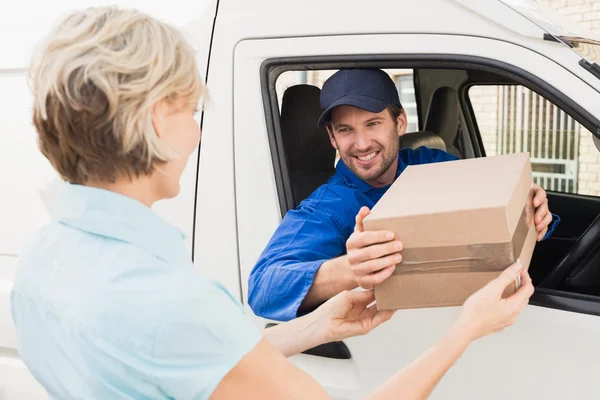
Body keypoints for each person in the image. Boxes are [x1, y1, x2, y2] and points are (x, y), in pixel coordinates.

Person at [11, 7, 534, 399]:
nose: (196, 134)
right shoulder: (170, 300)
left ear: (399, 122)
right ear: (154, 122)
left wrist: (315, 326)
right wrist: (467, 327)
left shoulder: (44, 257)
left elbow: (192, 361)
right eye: (191, 111)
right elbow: (203, 328)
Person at [248, 68, 560, 321]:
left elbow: (494, 214)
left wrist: (534, 214)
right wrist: (351, 268)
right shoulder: (328, 207)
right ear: (332, 136)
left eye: (373, 124)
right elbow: (263, 288)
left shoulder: (431, 165)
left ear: (399, 122)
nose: (361, 143)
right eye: (345, 129)